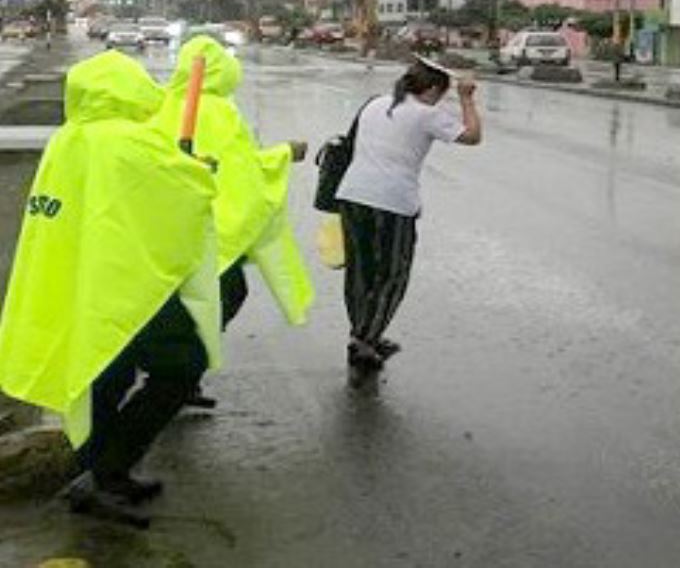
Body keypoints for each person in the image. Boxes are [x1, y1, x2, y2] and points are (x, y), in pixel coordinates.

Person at [0, 51, 221, 521]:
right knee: (182, 367)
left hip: (86, 279)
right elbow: (186, 189)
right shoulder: (128, 141)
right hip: (128, 285)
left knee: (104, 376)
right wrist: (199, 169)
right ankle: (108, 468)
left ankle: (104, 473)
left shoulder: (71, 138)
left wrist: (179, 169)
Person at [153, 36, 313, 383]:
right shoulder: (220, 113)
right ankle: (177, 377)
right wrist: (284, 152)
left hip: (164, 231)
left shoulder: (162, 105)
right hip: (209, 232)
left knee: (174, 306)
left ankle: (177, 373)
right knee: (224, 295)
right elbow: (244, 172)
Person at [334, 57, 482, 374]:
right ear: (431, 89)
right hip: (391, 203)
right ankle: (364, 341)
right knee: (391, 276)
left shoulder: (375, 104)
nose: (441, 100)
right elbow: (472, 135)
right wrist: (467, 99)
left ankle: (363, 333)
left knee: (360, 272)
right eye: (442, 94)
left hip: (352, 195)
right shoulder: (426, 115)